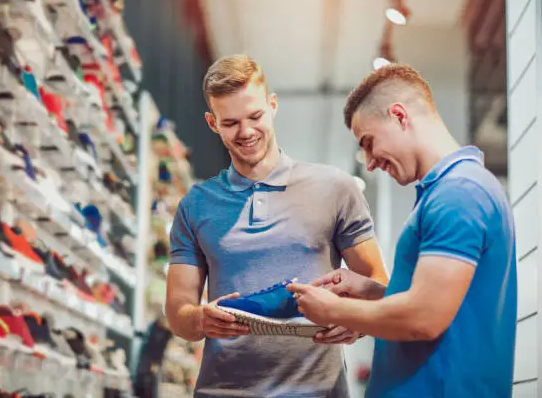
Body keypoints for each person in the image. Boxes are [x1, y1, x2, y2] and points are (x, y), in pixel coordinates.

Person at [165, 54, 388, 398]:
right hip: (223, 391)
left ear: (272, 105)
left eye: (255, 116)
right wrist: (200, 320)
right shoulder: (196, 205)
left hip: (318, 390)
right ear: (212, 122)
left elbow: (377, 283)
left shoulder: (336, 188)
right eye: (230, 123)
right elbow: (179, 311)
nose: (246, 132)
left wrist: (356, 322)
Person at [288, 63, 517, 398]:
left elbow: (424, 319)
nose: (368, 162)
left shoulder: (459, 193)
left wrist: (332, 310)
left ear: (399, 116)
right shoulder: (447, 192)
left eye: (368, 142)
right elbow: (442, 307)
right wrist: (373, 291)